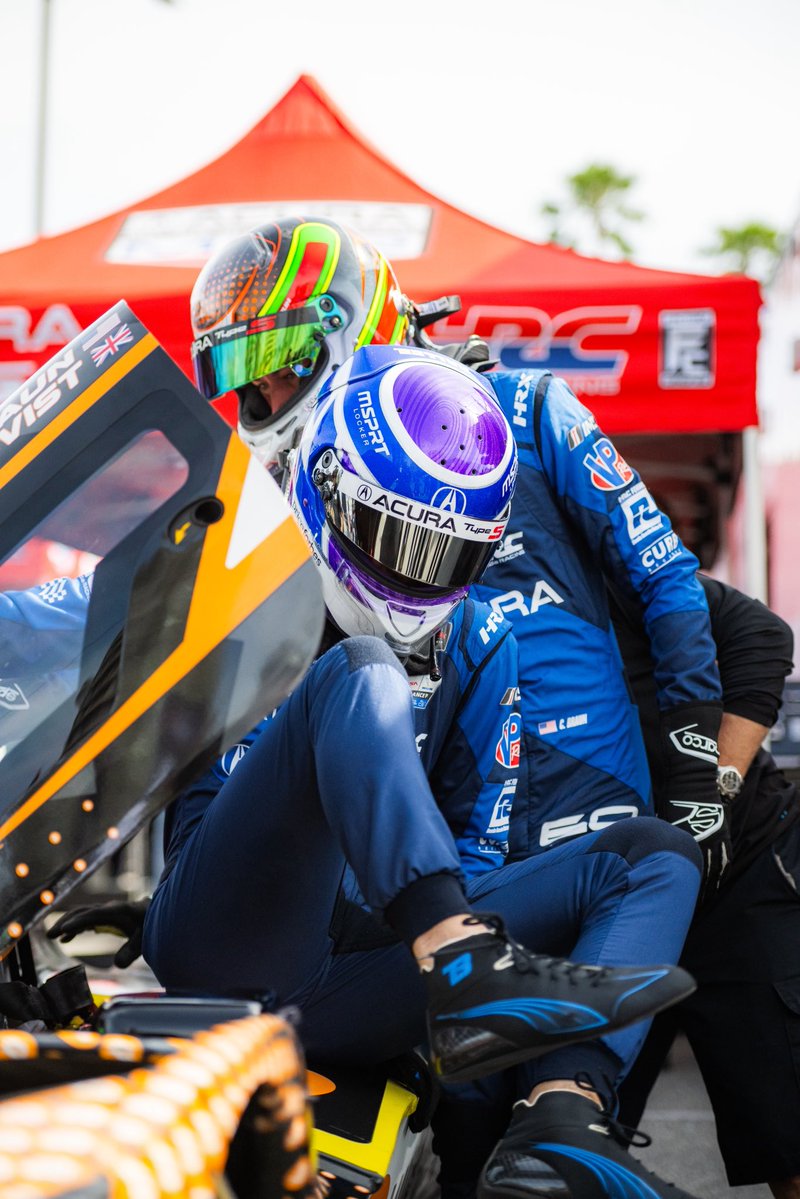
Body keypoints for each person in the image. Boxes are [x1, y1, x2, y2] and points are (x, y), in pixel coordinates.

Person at [613, 574, 800, 1199]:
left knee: (789, 1138)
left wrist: (712, 791)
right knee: (567, 1138)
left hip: (739, 872)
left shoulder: (618, 564)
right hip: (614, 896)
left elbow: (765, 634)